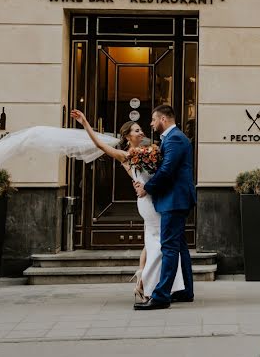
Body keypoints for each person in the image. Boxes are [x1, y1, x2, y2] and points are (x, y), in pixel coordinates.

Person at [69, 109, 183, 305]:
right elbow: (100, 144)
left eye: (141, 130)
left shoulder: (153, 150)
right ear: (127, 136)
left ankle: (141, 283)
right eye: (137, 130)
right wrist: (85, 122)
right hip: (148, 202)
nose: (141, 132)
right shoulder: (126, 156)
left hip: (155, 197)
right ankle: (148, 285)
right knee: (157, 242)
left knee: (150, 242)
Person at [132, 104, 196, 310]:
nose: (150, 124)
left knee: (168, 247)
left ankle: (161, 296)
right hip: (174, 199)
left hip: (174, 200)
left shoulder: (175, 138)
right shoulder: (170, 139)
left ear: (163, 119)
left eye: (153, 120)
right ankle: (185, 291)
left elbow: (168, 170)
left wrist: (147, 188)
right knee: (178, 246)